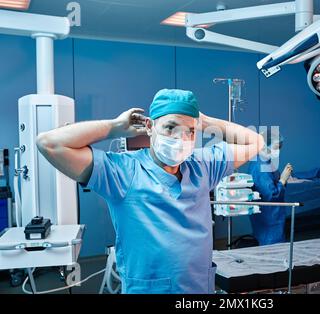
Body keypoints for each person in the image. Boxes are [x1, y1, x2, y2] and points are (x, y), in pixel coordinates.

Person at [36, 89, 264, 294]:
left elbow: (255, 142)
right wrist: (114, 128)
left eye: (190, 132)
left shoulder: (202, 166)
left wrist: (204, 121)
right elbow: (49, 143)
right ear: (149, 126)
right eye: (170, 127)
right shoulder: (121, 171)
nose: (180, 139)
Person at [248, 130, 293, 245]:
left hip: (269, 216)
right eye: (276, 147)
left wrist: (282, 178)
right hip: (269, 216)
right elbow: (270, 196)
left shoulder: (265, 161)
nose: (277, 152)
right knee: (272, 249)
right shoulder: (260, 166)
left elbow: (273, 180)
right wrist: (283, 180)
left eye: (280, 148)